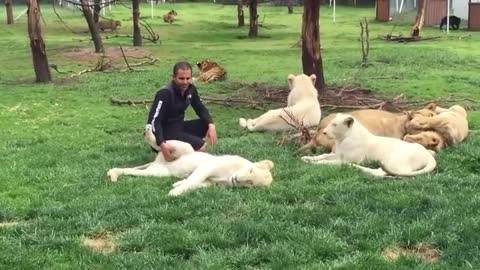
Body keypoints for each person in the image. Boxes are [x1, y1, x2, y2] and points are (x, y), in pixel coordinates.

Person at [146, 61, 217, 161]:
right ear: (173, 77)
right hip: (165, 132)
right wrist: (161, 143)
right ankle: (167, 153)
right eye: (181, 78)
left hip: (179, 127)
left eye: (188, 78)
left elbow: (199, 107)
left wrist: (211, 124)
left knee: (206, 124)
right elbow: (154, 121)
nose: (185, 82)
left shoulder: (191, 89)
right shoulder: (165, 94)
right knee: (201, 147)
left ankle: (184, 151)